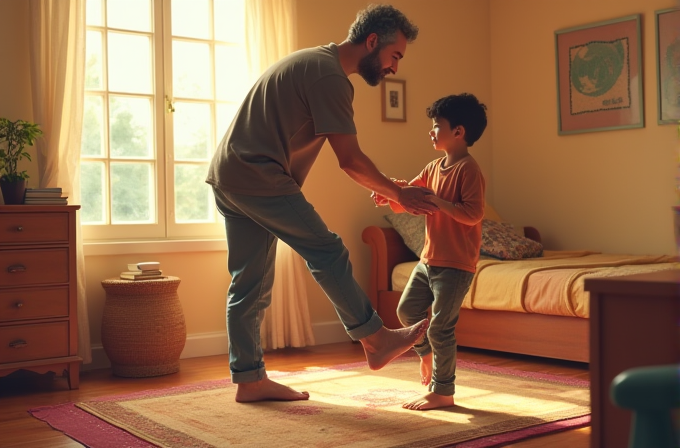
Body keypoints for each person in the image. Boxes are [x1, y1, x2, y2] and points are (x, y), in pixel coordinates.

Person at [206, 4, 438, 403]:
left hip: (230, 174)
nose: (394, 67)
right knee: (327, 250)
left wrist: (388, 186)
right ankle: (375, 340)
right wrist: (400, 194)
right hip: (258, 175)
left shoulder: (314, 61)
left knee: (249, 282)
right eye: (394, 55)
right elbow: (350, 160)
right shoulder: (330, 76)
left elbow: (351, 161)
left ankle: (249, 380)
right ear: (371, 42)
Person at [372, 93, 488, 410]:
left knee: (441, 327)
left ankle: (443, 392)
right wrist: (390, 195)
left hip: (456, 265)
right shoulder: (433, 167)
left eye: (437, 126)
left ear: (459, 132)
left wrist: (439, 202)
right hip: (428, 260)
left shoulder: (469, 170)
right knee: (406, 312)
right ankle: (426, 353)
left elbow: (473, 213)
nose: (431, 131)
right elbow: (410, 200)